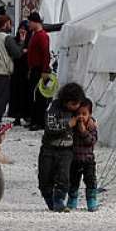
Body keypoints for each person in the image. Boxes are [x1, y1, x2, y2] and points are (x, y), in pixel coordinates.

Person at [38, 82, 85, 212]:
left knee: (64, 176)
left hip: (66, 150)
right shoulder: (53, 108)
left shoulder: (76, 110)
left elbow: (87, 115)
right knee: (45, 176)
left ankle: (59, 200)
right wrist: (68, 124)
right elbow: (50, 127)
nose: (76, 107)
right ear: (66, 101)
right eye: (74, 104)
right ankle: (48, 198)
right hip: (49, 149)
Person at [68, 98, 99, 211]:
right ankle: (72, 200)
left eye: (84, 114)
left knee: (90, 181)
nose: (81, 116)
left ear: (90, 115)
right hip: (75, 159)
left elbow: (92, 141)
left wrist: (84, 132)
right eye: (78, 114)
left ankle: (91, 200)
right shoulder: (73, 127)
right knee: (73, 181)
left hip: (88, 160)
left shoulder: (91, 127)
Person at [26, 12, 51, 131]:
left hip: (40, 69)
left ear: (35, 22)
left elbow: (46, 53)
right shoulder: (35, 35)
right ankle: (34, 119)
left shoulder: (42, 36)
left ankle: (39, 121)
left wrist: (45, 70)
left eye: (30, 22)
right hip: (34, 68)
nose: (29, 24)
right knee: (34, 95)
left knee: (39, 96)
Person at [8, 21, 30, 126]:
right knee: (16, 94)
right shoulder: (14, 40)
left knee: (25, 94)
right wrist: (21, 45)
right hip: (16, 71)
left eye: (24, 28)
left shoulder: (30, 40)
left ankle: (25, 115)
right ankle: (16, 116)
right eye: (21, 28)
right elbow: (16, 54)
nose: (22, 30)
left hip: (25, 71)